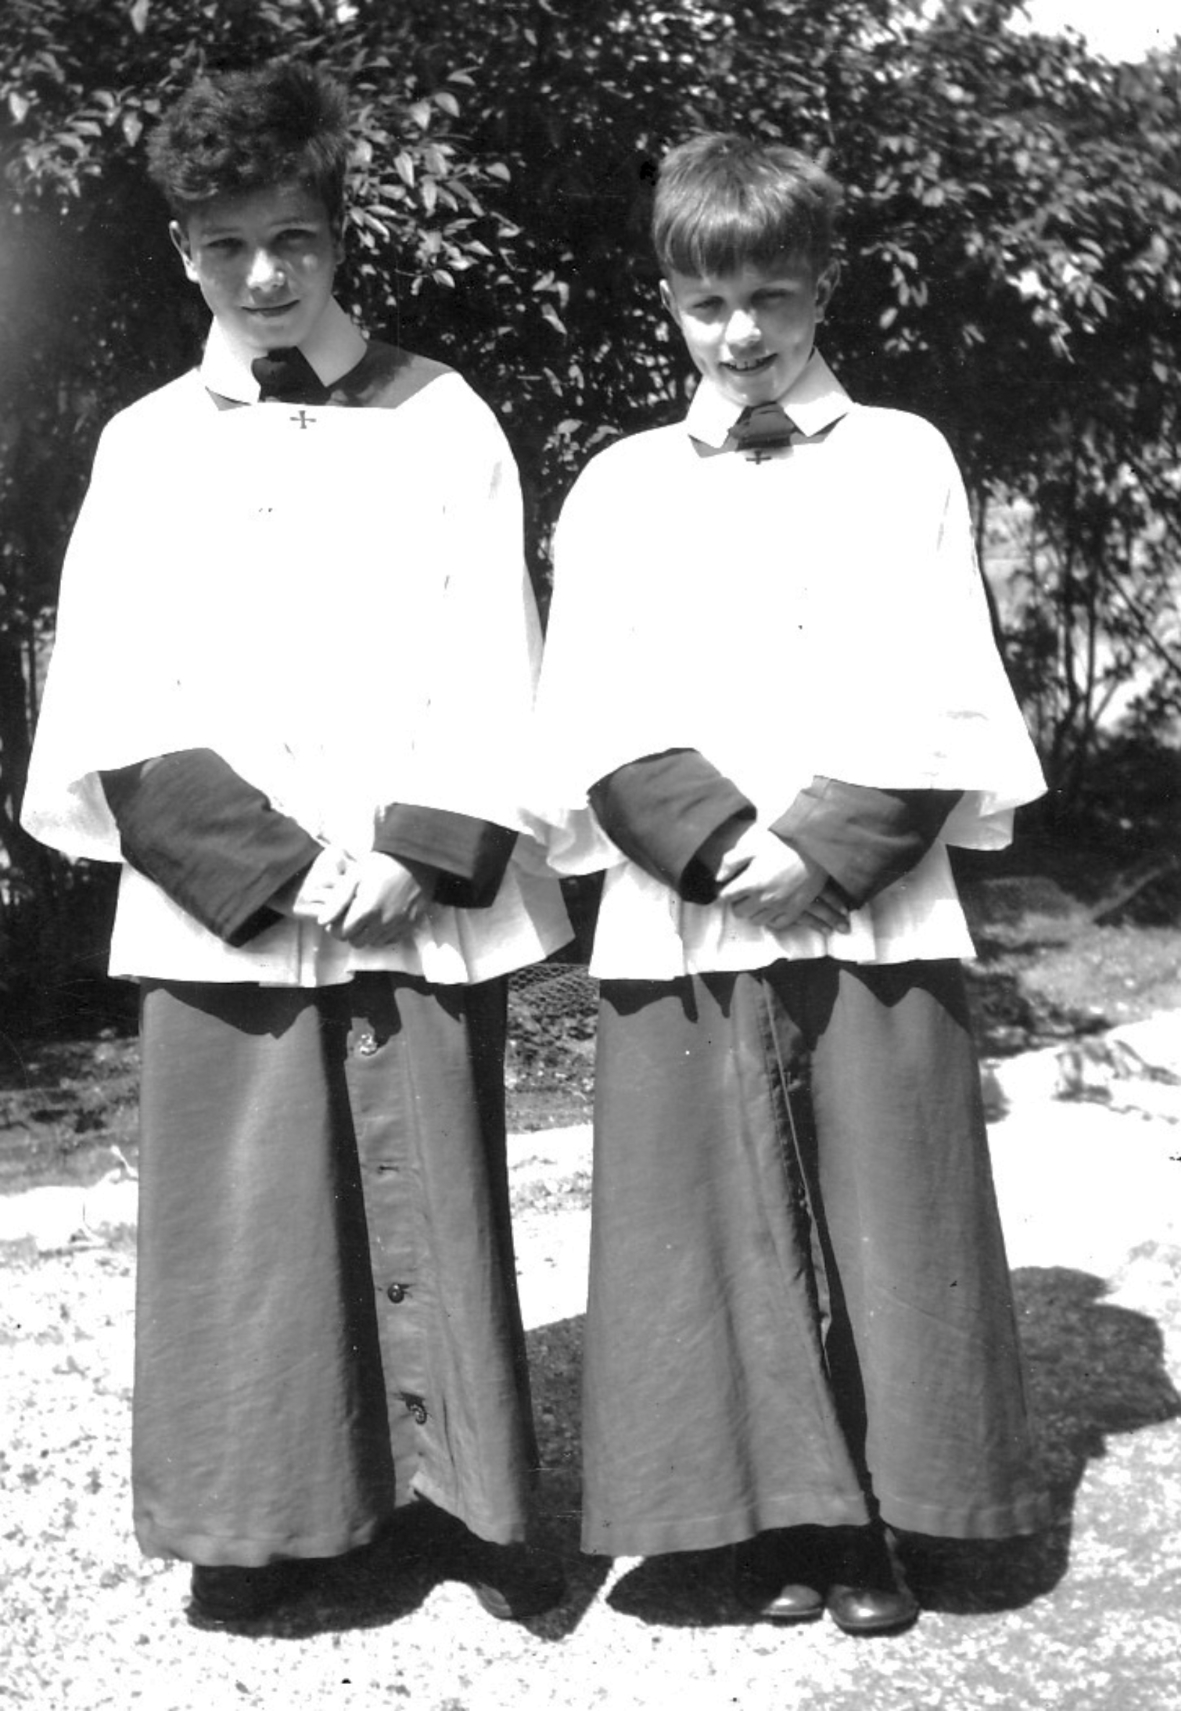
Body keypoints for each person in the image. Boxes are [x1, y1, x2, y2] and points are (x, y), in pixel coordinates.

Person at [22, 61, 570, 1628]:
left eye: (296, 240)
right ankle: (272, 1522)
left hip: (412, 885)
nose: (264, 276)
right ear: (181, 249)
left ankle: (451, 1499)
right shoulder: (147, 445)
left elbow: (494, 645)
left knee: (424, 1182)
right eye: (225, 245)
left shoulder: (441, 412)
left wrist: (412, 846)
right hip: (235, 900)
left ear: (340, 236)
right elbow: (115, 690)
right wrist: (272, 865)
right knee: (256, 1214)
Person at [535, 133, 1050, 1635]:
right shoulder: (622, 484)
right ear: (668, 304)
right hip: (686, 894)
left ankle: (889, 1520)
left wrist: (817, 848)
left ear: (823, 286)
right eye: (707, 305)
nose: (741, 333)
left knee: (886, 1205)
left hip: (863, 893)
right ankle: (760, 1520)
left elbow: (947, 678)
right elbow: (589, 696)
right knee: (715, 1213)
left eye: (770, 294)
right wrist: (713, 848)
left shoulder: (904, 458)